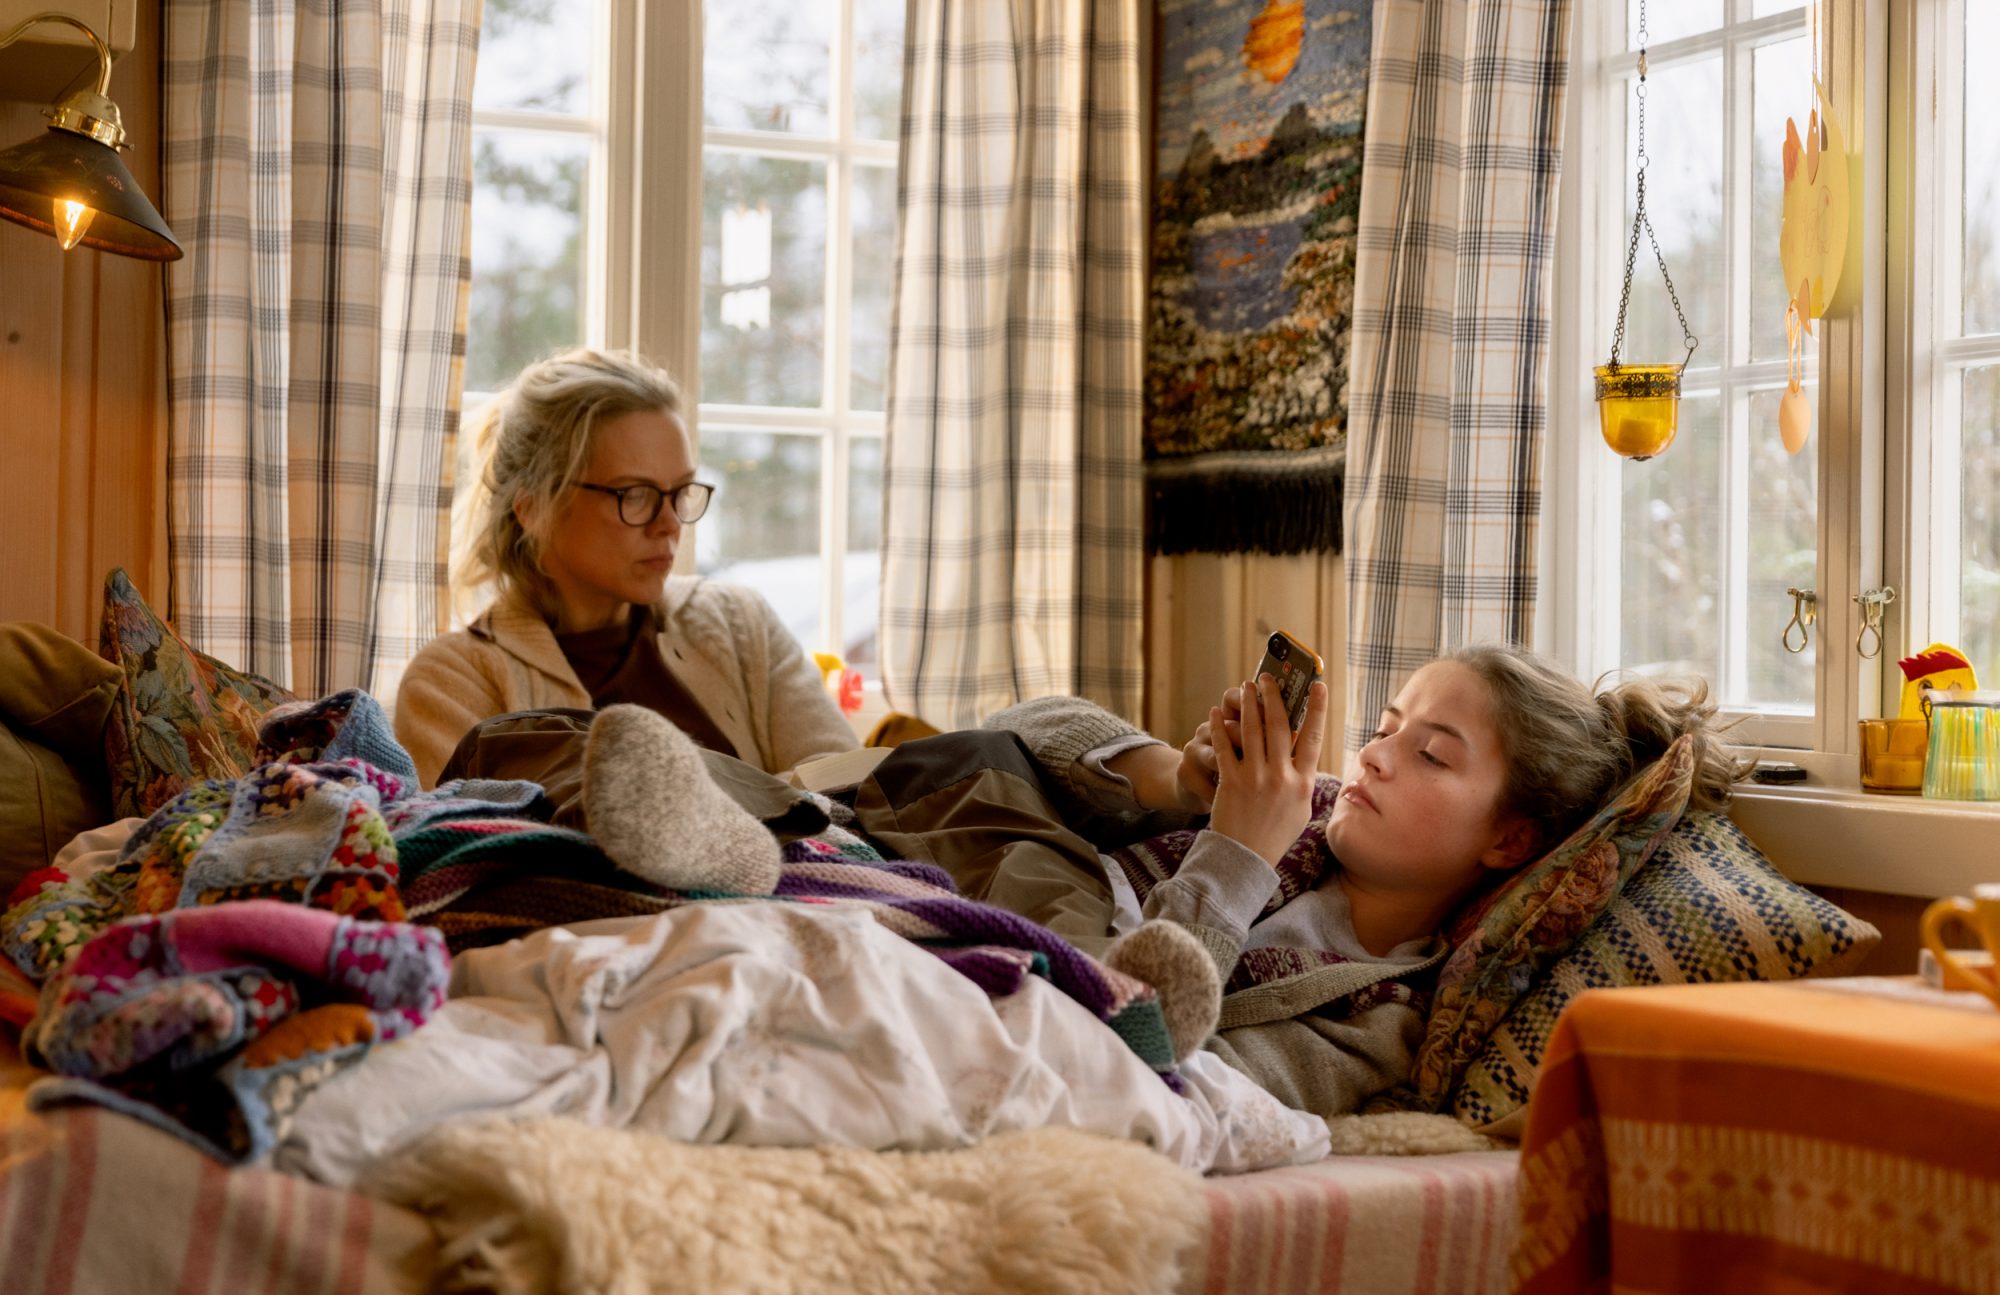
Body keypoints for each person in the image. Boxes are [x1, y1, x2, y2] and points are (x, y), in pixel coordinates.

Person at [850, 645, 1746, 1118]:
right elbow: (1019, 724)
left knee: (1063, 927)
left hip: (1012, 949)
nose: (1376, 756)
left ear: (1510, 839)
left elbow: (1135, 1058)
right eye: (1386, 727)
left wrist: (1235, 857)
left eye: (1432, 755)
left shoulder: (1376, 1023)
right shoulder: (1302, 807)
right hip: (937, 835)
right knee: (983, 777)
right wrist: (1175, 782)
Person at [394, 348, 857, 789]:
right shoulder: (454, 684)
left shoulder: (741, 624)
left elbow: (853, 795)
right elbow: (467, 843)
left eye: (680, 491)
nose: (670, 523)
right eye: (634, 494)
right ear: (532, 509)